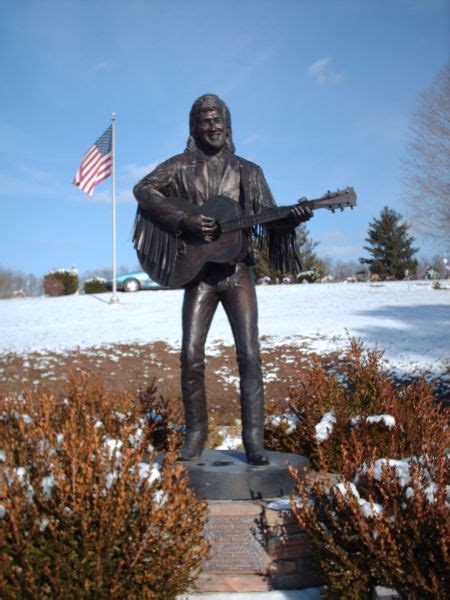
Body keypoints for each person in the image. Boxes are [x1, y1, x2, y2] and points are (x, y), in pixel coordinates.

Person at [133, 94, 312, 465]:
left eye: (218, 120)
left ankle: (254, 441)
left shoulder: (249, 171)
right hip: (199, 274)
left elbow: (269, 217)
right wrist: (184, 221)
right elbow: (143, 189)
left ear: (228, 125)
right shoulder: (179, 167)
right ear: (194, 127)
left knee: (249, 354)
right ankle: (196, 434)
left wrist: (292, 217)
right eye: (205, 120)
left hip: (238, 273)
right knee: (191, 355)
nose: (212, 126)